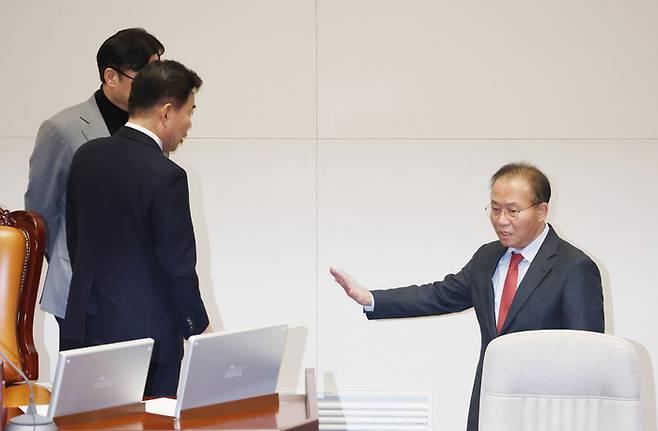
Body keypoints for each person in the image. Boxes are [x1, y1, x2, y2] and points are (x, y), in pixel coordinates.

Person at [330, 162, 604, 431]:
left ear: (542, 210)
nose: (501, 220)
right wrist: (370, 298)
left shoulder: (574, 267)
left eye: (512, 211)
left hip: (543, 416)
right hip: (488, 406)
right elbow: (438, 295)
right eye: (495, 209)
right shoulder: (488, 257)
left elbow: (584, 359)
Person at [63, 60, 210, 397]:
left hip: (84, 325)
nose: (189, 124)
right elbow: (177, 267)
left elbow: (76, 242)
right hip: (147, 342)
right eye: (189, 111)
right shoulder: (167, 175)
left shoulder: (87, 156)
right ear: (167, 111)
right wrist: (199, 328)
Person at [24, 28, 164, 350]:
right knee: (88, 392)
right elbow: (41, 211)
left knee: (142, 391)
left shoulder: (152, 125)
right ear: (110, 76)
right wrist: (77, 259)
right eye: (144, 77)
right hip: (81, 290)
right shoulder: (62, 129)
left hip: (139, 288)